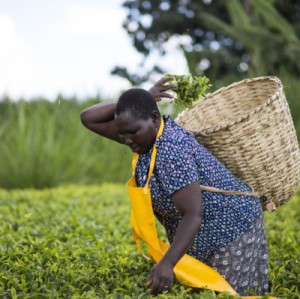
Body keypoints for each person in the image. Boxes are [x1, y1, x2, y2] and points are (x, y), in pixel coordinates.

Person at [80, 77, 269, 296]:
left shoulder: (171, 149)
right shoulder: (143, 136)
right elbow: (89, 118)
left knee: (228, 293)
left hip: (231, 227)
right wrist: (143, 98)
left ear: (153, 118)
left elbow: (192, 214)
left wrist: (168, 263)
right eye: (122, 133)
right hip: (202, 232)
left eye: (132, 132)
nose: (127, 140)